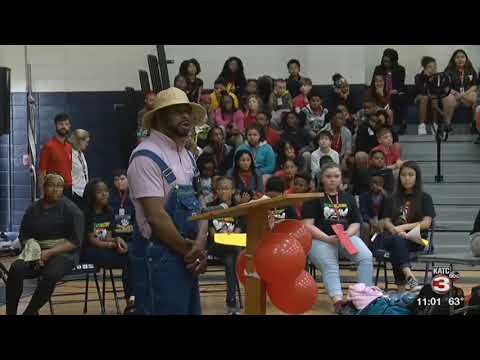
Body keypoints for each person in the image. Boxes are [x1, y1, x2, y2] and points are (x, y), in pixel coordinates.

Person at [127, 87, 209, 315]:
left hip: (188, 257)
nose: (185, 116)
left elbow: (200, 204)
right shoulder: (145, 157)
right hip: (160, 259)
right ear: (159, 117)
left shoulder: (187, 156)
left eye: (187, 111)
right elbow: (156, 217)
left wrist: (200, 243)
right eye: (177, 111)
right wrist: (189, 251)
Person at [6, 174, 84, 315]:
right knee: (16, 268)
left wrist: (49, 252)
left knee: (50, 274)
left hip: (63, 253)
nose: (55, 190)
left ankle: (29, 312)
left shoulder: (72, 210)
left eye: (59, 186)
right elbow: (24, 234)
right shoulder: (33, 209)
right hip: (35, 252)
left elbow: (75, 242)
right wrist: (32, 249)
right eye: (51, 186)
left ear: (63, 189)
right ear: (44, 188)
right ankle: (10, 312)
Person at [302, 162, 373, 314]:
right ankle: (338, 301)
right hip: (320, 239)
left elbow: (356, 222)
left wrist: (348, 233)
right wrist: (327, 238)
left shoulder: (348, 197)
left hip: (344, 237)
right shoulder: (313, 197)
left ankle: (363, 297)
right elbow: (307, 225)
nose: (332, 180)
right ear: (321, 178)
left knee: (366, 256)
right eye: (328, 176)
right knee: (330, 264)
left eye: (336, 176)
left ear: (341, 179)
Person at [377, 161, 435, 292]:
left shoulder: (425, 197)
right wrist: (395, 230)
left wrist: (403, 229)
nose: (407, 178)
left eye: (410, 175)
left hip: (418, 240)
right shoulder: (391, 198)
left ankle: (401, 290)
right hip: (393, 237)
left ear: (417, 177)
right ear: (399, 177)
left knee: (395, 248)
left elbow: (427, 223)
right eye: (403, 175)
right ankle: (409, 275)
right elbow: (385, 221)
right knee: (397, 241)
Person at [82, 178, 133, 311]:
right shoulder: (86, 213)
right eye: (99, 192)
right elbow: (92, 240)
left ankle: (131, 300)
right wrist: (110, 245)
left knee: (131, 257)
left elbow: (107, 237)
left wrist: (117, 241)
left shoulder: (109, 211)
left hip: (104, 247)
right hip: (91, 251)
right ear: (92, 195)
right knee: (127, 259)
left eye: (106, 191)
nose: (105, 194)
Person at [206, 177, 244, 315]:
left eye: (227, 188)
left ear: (233, 190)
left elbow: (237, 233)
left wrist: (230, 237)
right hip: (215, 246)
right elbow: (211, 234)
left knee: (230, 259)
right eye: (220, 188)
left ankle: (232, 302)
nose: (223, 191)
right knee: (232, 256)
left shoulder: (239, 209)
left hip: (231, 247)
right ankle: (232, 304)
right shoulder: (210, 207)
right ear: (216, 191)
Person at [372, 48, 408, 134]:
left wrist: (396, 90)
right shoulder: (378, 69)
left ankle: (403, 123)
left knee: (400, 97)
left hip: (394, 93)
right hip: (380, 92)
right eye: (384, 61)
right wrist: (381, 90)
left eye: (388, 61)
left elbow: (401, 86)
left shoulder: (400, 69)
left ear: (393, 61)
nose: (386, 63)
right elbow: (373, 84)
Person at [442, 49, 478, 133]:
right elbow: (445, 87)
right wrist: (455, 93)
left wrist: (464, 94)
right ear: (453, 60)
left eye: (462, 57)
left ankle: (475, 124)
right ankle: (447, 125)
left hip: (466, 96)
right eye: (457, 57)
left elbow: (475, 85)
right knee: (448, 97)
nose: (460, 59)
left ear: (466, 59)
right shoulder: (448, 70)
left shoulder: (471, 70)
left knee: (475, 96)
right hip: (454, 96)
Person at [39, 113, 73, 200]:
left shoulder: (69, 146)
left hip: (68, 189)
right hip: (54, 189)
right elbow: (42, 172)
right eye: (61, 124)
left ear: (69, 126)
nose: (64, 127)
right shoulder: (48, 146)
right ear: (56, 126)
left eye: (66, 124)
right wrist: (42, 195)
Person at [414, 56, 440, 135]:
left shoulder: (437, 77)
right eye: (430, 67)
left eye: (434, 67)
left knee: (434, 97)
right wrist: (426, 78)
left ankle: (435, 125)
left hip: (432, 97)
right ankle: (422, 126)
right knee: (424, 97)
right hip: (421, 98)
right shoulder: (418, 76)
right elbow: (421, 91)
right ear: (424, 68)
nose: (433, 69)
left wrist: (433, 80)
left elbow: (436, 91)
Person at [359, 175, 387, 247]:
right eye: (373, 183)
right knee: (365, 226)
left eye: (377, 183)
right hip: (369, 219)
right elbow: (363, 212)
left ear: (382, 184)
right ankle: (365, 248)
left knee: (386, 225)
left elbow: (389, 211)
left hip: (382, 220)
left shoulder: (386, 196)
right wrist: (370, 221)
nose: (375, 185)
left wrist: (385, 195)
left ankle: (380, 249)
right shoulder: (364, 196)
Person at [110, 169, 135, 243]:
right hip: (114, 234)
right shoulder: (109, 197)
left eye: (122, 179)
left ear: (128, 180)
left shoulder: (134, 196)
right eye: (116, 180)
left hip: (131, 234)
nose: (119, 182)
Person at [69, 129, 90, 210]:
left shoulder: (81, 154)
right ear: (79, 141)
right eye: (86, 142)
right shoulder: (69, 154)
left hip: (84, 192)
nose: (87, 144)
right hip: (75, 193)